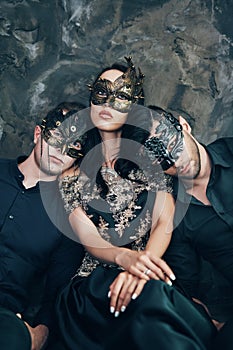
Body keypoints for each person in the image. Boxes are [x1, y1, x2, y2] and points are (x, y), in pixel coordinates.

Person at [52, 57, 216, 350]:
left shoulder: (151, 161)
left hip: (148, 275)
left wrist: (141, 268)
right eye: (101, 93)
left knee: (161, 304)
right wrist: (124, 259)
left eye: (122, 96)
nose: (108, 103)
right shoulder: (70, 175)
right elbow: (87, 235)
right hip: (94, 285)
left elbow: (164, 221)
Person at [142, 105, 233, 349]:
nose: (174, 160)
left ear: (183, 125)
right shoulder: (175, 215)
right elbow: (188, 289)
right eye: (160, 159)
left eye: (171, 143)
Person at [0, 103, 87, 350]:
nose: (61, 151)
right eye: (58, 137)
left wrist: (39, 336)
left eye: (74, 145)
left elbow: (56, 294)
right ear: (39, 133)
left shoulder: (68, 219)